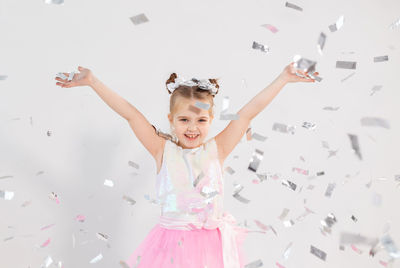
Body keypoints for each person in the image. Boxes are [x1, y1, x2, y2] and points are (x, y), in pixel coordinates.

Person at [55, 63, 318, 267]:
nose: (192, 128)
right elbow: (131, 114)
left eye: (201, 121)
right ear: (171, 119)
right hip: (170, 249)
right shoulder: (162, 150)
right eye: (184, 120)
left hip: (212, 250)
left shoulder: (218, 149)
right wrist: (93, 82)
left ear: (211, 119)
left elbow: (248, 112)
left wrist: (283, 78)